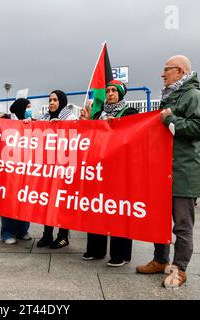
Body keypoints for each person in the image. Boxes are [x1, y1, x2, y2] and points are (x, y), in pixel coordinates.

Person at [136, 55, 200, 288]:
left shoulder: (193, 96)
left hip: (183, 171)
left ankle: (180, 269)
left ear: (179, 71)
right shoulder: (172, 95)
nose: (162, 74)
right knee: (159, 220)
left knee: (182, 225)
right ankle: (160, 260)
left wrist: (171, 119)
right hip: (165, 169)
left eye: (166, 70)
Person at [80, 80, 138, 267]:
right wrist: (88, 123)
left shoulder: (130, 113)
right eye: (108, 90)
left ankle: (119, 253)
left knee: (118, 209)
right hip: (98, 169)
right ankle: (95, 250)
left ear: (121, 94)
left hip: (120, 170)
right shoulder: (97, 113)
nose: (110, 93)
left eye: (114, 90)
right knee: (96, 207)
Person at [37, 90, 78, 249]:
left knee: (62, 202)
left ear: (62, 101)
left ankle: (63, 236)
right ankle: (47, 234)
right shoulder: (45, 118)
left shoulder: (70, 118)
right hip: (48, 167)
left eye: (55, 100)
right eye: (50, 100)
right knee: (47, 201)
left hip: (64, 167)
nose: (52, 103)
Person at [0, 99, 33, 245]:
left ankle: (23, 230)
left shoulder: (31, 122)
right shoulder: (6, 120)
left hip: (26, 169)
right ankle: (7, 233)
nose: (29, 109)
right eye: (27, 107)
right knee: (9, 202)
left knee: (25, 200)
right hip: (9, 169)